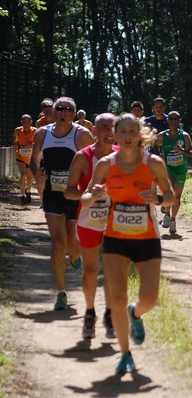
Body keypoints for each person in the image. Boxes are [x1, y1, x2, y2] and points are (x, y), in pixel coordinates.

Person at [81, 113, 175, 374]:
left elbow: (170, 196)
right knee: (118, 296)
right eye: (122, 131)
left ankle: (137, 313)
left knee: (150, 298)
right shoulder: (105, 165)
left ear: (139, 135)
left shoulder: (153, 163)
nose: (127, 136)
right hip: (116, 239)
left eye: (132, 131)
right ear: (115, 134)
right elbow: (86, 196)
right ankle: (125, 354)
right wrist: (94, 194)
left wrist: (156, 199)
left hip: (146, 239)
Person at [30, 97, 94, 310]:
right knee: (58, 243)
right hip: (53, 195)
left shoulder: (82, 134)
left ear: (74, 114)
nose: (63, 112)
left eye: (68, 109)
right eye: (59, 108)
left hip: (75, 195)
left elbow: (91, 161)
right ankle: (60, 292)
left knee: (72, 246)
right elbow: (35, 158)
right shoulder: (42, 133)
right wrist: (37, 172)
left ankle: (75, 256)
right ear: (53, 112)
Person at [64, 113, 118, 339]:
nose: (109, 131)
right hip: (89, 219)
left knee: (113, 269)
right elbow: (68, 191)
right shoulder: (82, 157)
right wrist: (88, 194)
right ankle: (89, 311)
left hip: (117, 219)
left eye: (113, 127)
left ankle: (109, 312)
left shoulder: (122, 155)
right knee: (91, 270)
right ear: (94, 131)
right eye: (104, 127)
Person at [155, 110, 192, 235]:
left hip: (181, 170)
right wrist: (160, 156)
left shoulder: (184, 136)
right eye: (171, 119)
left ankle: (173, 219)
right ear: (167, 121)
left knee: (177, 197)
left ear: (179, 121)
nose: (173, 121)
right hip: (168, 170)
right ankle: (166, 214)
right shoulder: (162, 136)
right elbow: (153, 145)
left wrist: (182, 150)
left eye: (175, 119)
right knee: (169, 193)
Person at [13, 114, 36, 205]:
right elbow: (14, 141)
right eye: (24, 122)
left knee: (30, 176)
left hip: (31, 157)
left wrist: (32, 145)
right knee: (23, 174)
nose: (26, 124)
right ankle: (22, 195)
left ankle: (28, 191)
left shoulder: (35, 131)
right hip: (20, 156)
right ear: (21, 122)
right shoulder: (17, 130)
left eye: (27, 122)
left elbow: (39, 143)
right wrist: (15, 145)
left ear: (31, 122)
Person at [35, 99, 55, 204]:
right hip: (43, 153)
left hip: (57, 152)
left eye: (49, 106)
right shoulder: (39, 122)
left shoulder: (59, 119)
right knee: (40, 179)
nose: (47, 109)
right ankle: (43, 202)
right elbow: (39, 138)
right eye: (44, 106)